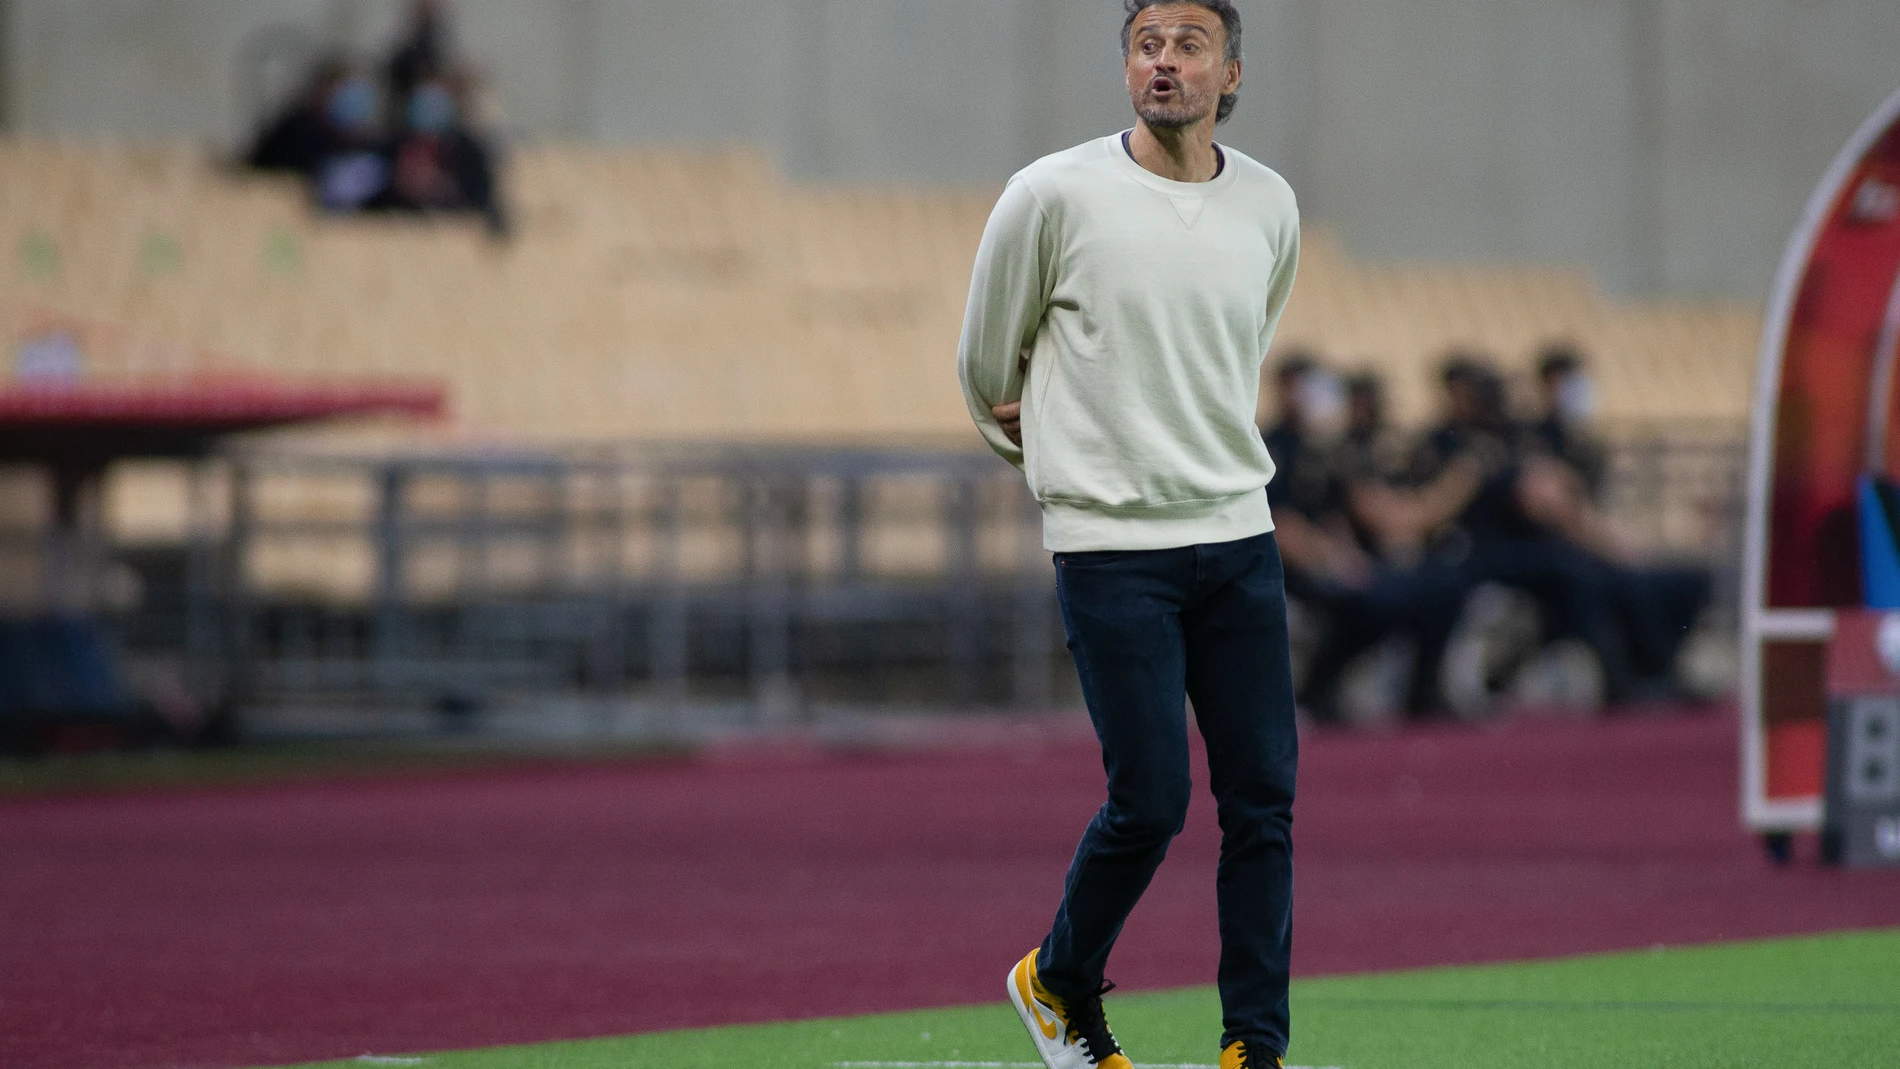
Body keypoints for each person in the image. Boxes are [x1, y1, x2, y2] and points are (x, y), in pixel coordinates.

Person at [959, 4, 1297, 1066]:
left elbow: (1239, 350)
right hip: (1110, 546)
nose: (1164, 61)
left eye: (1189, 44)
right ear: (1126, 68)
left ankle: (1253, 1042)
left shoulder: (1269, 205)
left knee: (1262, 803)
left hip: (1237, 533)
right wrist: (1061, 463)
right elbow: (984, 364)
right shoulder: (1051, 194)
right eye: (1146, 44)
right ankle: (1058, 980)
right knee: (1148, 800)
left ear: (1229, 70)